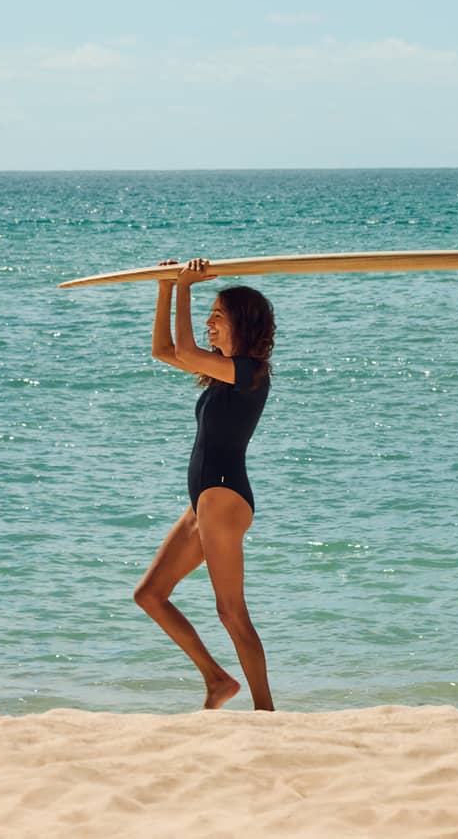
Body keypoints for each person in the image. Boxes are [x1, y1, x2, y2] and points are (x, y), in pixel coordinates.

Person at [133, 257, 276, 711]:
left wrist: (186, 286)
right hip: (204, 503)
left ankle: (266, 712)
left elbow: (184, 348)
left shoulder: (250, 372)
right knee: (150, 595)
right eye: (209, 316)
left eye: (217, 317)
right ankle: (217, 680)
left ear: (242, 324)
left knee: (231, 611)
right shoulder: (222, 373)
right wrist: (165, 287)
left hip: (224, 498)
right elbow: (164, 350)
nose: (209, 324)